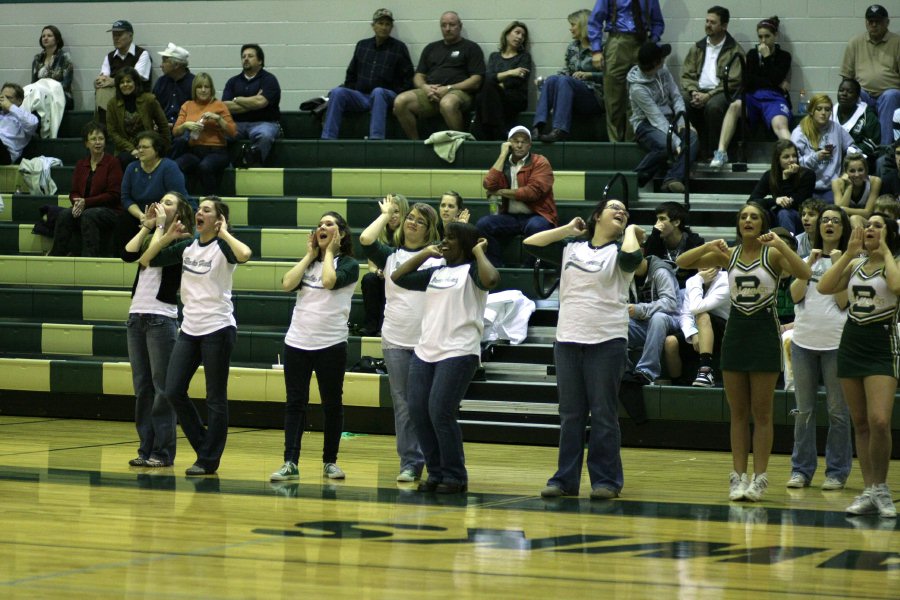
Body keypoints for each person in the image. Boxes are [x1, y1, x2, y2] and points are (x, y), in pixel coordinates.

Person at [677, 202, 811, 502]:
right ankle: (737, 477)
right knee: (737, 413)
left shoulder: (773, 253)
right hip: (736, 333)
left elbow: (804, 271)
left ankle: (760, 477)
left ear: (762, 223)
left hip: (764, 332)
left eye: (754, 217)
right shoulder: (728, 254)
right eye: (743, 217)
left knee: (762, 412)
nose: (748, 220)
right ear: (738, 224)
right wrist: (707, 246)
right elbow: (683, 261)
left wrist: (780, 243)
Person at [524, 199, 643, 499]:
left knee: (603, 413)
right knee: (571, 414)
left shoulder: (620, 252)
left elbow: (632, 262)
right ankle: (564, 480)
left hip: (607, 342)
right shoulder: (570, 249)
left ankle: (606, 481)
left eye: (625, 211)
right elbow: (530, 244)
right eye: (614, 208)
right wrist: (566, 229)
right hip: (567, 340)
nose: (621, 212)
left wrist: (629, 231)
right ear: (596, 216)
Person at [141, 197, 252, 476]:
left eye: (206, 210)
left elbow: (245, 254)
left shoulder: (223, 247)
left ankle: (208, 459)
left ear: (218, 219)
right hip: (189, 330)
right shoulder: (188, 247)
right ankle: (205, 447)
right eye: (199, 209)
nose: (199, 212)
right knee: (173, 389)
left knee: (215, 397)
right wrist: (166, 236)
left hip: (218, 328)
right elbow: (147, 259)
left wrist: (224, 232)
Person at [392, 222, 500, 493]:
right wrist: (426, 254)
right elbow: (398, 277)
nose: (445, 241)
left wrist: (478, 252)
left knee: (440, 411)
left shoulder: (473, 271)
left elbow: (491, 280)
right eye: (444, 237)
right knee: (418, 410)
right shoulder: (436, 272)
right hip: (425, 350)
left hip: (459, 351)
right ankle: (436, 473)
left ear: (465, 243)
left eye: (451, 238)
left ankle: (455, 475)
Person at [818, 213, 899, 518]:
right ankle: (869, 490)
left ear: (889, 233)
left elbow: (896, 285)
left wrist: (887, 251)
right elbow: (825, 287)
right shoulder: (854, 264)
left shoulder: (896, 262)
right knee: (861, 423)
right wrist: (849, 254)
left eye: (879, 225)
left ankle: (882, 487)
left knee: (879, 420)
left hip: (881, 345)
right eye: (868, 225)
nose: (870, 229)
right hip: (851, 343)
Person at [270, 212, 359, 483]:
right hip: (297, 342)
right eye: (320, 225)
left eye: (329, 224)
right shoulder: (308, 264)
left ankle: (330, 462)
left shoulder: (350, 264)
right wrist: (310, 256)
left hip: (331, 344)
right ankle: (290, 462)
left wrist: (330, 253)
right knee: (295, 403)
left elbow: (330, 281)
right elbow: (286, 284)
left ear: (341, 233)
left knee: (332, 404)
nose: (322, 227)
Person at [360, 199, 442, 482]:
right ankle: (410, 462)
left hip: (429, 341)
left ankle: (436, 461)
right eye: (410, 218)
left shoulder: (438, 258)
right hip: (395, 339)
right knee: (403, 404)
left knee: (429, 404)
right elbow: (366, 239)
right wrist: (385, 216)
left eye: (420, 221)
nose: (412, 223)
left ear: (430, 229)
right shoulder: (390, 255)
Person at [121, 192, 195, 468]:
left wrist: (162, 229)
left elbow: (151, 260)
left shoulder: (185, 240)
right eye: (160, 201)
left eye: (168, 203)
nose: (159, 205)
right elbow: (128, 254)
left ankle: (163, 453)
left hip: (161, 318)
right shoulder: (156, 233)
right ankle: (146, 448)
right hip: (136, 316)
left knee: (162, 387)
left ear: (180, 212)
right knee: (142, 388)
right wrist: (146, 226)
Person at [787, 205, 852, 490]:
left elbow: (843, 302)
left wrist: (838, 265)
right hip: (803, 343)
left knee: (838, 412)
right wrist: (808, 268)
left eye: (835, 221)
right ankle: (801, 470)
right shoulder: (805, 260)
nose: (828, 224)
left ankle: (836, 472)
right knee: (804, 411)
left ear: (843, 228)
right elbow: (795, 295)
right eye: (825, 220)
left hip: (836, 345)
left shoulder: (852, 262)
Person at [711, 16, 792, 169]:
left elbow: (775, 78)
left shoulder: (784, 56)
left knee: (780, 124)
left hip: (774, 98)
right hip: (753, 96)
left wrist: (767, 58)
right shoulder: (752, 55)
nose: (763, 40)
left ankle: (795, 157)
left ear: (775, 36)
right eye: (760, 36)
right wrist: (772, 80)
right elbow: (748, 80)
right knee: (734, 106)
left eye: (767, 36)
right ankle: (721, 151)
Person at [321, 8, 414, 141]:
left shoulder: (399, 48)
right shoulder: (362, 46)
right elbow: (351, 74)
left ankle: (376, 139)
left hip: (386, 96)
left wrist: (397, 94)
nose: (384, 27)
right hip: (361, 96)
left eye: (387, 24)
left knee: (378, 92)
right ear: (373, 26)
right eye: (380, 23)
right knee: (337, 92)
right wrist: (350, 88)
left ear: (391, 27)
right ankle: (328, 139)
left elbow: (408, 79)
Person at [392, 11, 485, 140]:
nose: (447, 29)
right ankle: (416, 144)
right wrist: (425, 88)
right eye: (444, 25)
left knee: (447, 104)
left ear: (460, 26)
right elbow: (418, 75)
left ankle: (461, 143)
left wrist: (448, 88)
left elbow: (476, 80)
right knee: (400, 101)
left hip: (459, 92)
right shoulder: (431, 48)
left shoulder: (471, 48)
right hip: (431, 92)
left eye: (452, 25)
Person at [477, 126, 557, 267]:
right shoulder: (505, 163)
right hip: (511, 217)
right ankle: (495, 267)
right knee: (483, 225)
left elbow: (531, 193)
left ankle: (529, 269)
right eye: (515, 141)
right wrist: (502, 155)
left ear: (529, 145)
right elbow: (489, 184)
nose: (519, 145)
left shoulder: (540, 162)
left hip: (537, 215)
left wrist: (500, 192)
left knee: (537, 227)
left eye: (524, 141)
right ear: (508, 143)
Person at [588, 0, 665, 142]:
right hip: (617, 42)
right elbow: (595, 20)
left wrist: (652, 42)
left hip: (642, 42)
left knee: (637, 97)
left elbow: (658, 22)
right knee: (613, 99)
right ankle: (615, 146)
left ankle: (631, 143)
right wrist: (596, 50)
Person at [628, 42, 698, 194]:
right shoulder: (637, 88)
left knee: (692, 137)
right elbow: (656, 118)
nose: (664, 60)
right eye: (661, 59)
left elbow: (676, 96)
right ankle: (634, 179)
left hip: (671, 119)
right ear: (655, 64)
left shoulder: (663, 70)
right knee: (666, 146)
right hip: (646, 124)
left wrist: (682, 121)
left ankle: (673, 178)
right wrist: (676, 142)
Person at [680, 6, 745, 162]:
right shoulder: (697, 47)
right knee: (682, 102)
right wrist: (693, 91)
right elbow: (686, 75)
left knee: (713, 107)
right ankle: (687, 151)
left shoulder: (734, 50)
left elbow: (734, 81)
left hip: (721, 92)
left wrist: (708, 95)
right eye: (707, 21)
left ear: (724, 26)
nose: (708, 25)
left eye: (713, 22)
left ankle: (713, 154)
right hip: (698, 90)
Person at [49, 122, 123, 257]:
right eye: (93, 139)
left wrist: (86, 203)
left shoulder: (113, 163)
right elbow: (74, 192)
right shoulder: (81, 164)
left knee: (89, 215)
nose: (98, 142)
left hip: (111, 210)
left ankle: (89, 257)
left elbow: (114, 195)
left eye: (101, 138)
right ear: (86, 143)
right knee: (65, 214)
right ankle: (57, 255)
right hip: (85, 207)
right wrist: (77, 202)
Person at [531, 9, 603, 144]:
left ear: (583, 25)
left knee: (565, 81)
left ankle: (560, 130)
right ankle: (538, 127)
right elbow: (566, 71)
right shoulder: (572, 47)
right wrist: (546, 81)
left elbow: (612, 76)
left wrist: (590, 75)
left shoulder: (601, 46)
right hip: (572, 93)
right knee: (552, 79)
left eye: (573, 25)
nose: (570, 29)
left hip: (595, 96)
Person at [840, 4, 900, 151]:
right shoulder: (855, 42)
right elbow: (847, 78)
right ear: (866, 22)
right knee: (853, 94)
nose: (874, 25)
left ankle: (884, 150)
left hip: (889, 94)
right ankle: (856, 148)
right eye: (870, 21)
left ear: (887, 22)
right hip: (863, 93)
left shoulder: (897, 42)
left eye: (878, 22)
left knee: (891, 95)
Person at [119, 130, 188, 250]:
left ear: (157, 150)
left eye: (145, 147)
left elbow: (178, 198)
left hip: (165, 212)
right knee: (124, 219)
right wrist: (141, 215)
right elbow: (126, 198)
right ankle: (125, 257)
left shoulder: (169, 167)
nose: (140, 150)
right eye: (139, 147)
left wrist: (156, 216)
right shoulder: (131, 167)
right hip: (141, 213)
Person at [173, 73, 236, 195]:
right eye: (199, 87)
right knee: (176, 165)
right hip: (195, 150)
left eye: (206, 87)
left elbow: (232, 132)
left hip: (217, 151)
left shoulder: (219, 105)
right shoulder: (187, 105)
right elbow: (175, 131)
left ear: (211, 89)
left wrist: (218, 118)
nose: (203, 90)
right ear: (194, 89)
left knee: (205, 166)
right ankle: (183, 199)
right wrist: (186, 125)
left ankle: (212, 200)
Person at [473, 21, 533, 141]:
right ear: (507, 34)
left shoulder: (524, 57)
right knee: (487, 89)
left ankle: (483, 132)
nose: (520, 37)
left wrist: (497, 80)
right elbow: (488, 78)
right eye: (517, 32)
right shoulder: (494, 56)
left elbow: (517, 82)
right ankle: (497, 131)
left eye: (523, 35)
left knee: (487, 91)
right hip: (495, 96)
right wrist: (510, 72)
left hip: (515, 98)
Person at [223, 44, 281, 165]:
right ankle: (225, 166)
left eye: (250, 56)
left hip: (264, 123)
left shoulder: (269, 80)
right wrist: (253, 101)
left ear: (260, 61)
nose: (246, 59)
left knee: (265, 135)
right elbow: (226, 106)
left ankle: (253, 165)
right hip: (237, 124)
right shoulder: (233, 81)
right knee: (217, 133)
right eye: (243, 56)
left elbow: (261, 102)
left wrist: (237, 99)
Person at [625, 254, 679, 386]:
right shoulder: (626, 274)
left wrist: (640, 310)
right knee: (617, 322)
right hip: (646, 326)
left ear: (641, 253)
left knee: (658, 317)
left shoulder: (660, 271)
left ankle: (646, 371)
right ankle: (623, 370)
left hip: (671, 322)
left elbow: (670, 304)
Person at [790, 94, 856, 202]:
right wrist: (815, 157)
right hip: (806, 187)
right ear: (811, 110)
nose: (823, 113)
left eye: (827, 109)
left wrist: (846, 171)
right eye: (819, 109)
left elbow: (852, 148)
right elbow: (793, 163)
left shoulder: (836, 128)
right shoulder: (800, 132)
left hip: (831, 187)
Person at [359, 193, 409, 336]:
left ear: (404, 213)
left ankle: (384, 326)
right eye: (390, 212)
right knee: (369, 279)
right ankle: (371, 325)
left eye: (396, 212)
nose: (392, 216)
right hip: (382, 277)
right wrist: (378, 272)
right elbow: (371, 265)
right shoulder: (378, 232)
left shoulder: (408, 234)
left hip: (400, 277)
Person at [106, 66, 171, 171]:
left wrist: (164, 149)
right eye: (122, 82)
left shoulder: (149, 100)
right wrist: (131, 149)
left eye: (129, 81)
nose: (125, 84)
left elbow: (163, 125)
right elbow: (112, 132)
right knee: (125, 160)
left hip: (149, 146)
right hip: (125, 149)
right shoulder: (112, 104)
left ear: (135, 83)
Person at [749, 139, 816, 234]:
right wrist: (775, 200)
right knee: (757, 212)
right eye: (786, 157)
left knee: (784, 213)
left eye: (794, 156)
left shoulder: (808, 175)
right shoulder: (770, 175)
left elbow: (797, 203)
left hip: (800, 216)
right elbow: (752, 201)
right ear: (778, 160)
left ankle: (788, 245)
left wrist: (786, 178)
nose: (792, 160)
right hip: (776, 215)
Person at [94, 20, 152, 119]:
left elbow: (135, 78)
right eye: (114, 35)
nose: (116, 38)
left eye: (119, 34)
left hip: (136, 94)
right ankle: (103, 127)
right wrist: (98, 82)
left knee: (105, 93)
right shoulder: (110, 56)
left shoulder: (142, 54)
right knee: (101, 90)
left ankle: (104, 126)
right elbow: (104, 78)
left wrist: (113, 81)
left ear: (130, 35)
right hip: (115, 94)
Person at [642, 201, 705, 288]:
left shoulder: (694, 243)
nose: (656, 225)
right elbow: (646, 267)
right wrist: (654, 235)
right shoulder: (654, 240)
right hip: (660, 291)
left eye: (662, 219)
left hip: (687, 291)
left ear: (676, 223)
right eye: (657, 219)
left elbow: (698, 276)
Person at [835, 78, 881, 169]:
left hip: (858, 160)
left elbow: (872, 144)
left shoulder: (868, 115)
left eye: (849, 91)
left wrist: (847, 152)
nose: (844, 94)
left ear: (857, 96)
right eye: (841, 90)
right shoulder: (830, 112)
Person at [152, 43, 195, 133]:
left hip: (185, 129)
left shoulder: (194, 83)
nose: (161, 65)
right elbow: (152, 106)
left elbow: (198, 111)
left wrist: (174, 124)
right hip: (161, 128)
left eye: (164, 61)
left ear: (176, 65)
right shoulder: (161, 82)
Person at [833, 152, 883, 228]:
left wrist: (843, 209)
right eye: (852, 171)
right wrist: (849, 187)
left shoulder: (875, 181)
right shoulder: (837, 183)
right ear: (846, 172)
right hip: (844, 223)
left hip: (868, 223)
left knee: (854, 218)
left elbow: (868, 213)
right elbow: (839, 213)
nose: (857, 174)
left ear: (866, 170)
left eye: (860, 170)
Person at [31, 25, 74, 110]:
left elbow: (66, 84)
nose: (45, 38)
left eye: (49, 36)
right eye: (43, 36)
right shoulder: (37, 59)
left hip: (61, 95)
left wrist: (47, 91)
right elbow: (33, 83)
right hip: (40, 95)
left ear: (57, 39)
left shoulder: (65, 57)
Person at [0, 83, 39, 165]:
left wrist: (10, 106)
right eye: (3, 97)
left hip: (5, 154)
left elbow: (32, 124)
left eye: (9, 98)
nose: (4, 101)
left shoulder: (25, 116)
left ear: (19, 101)